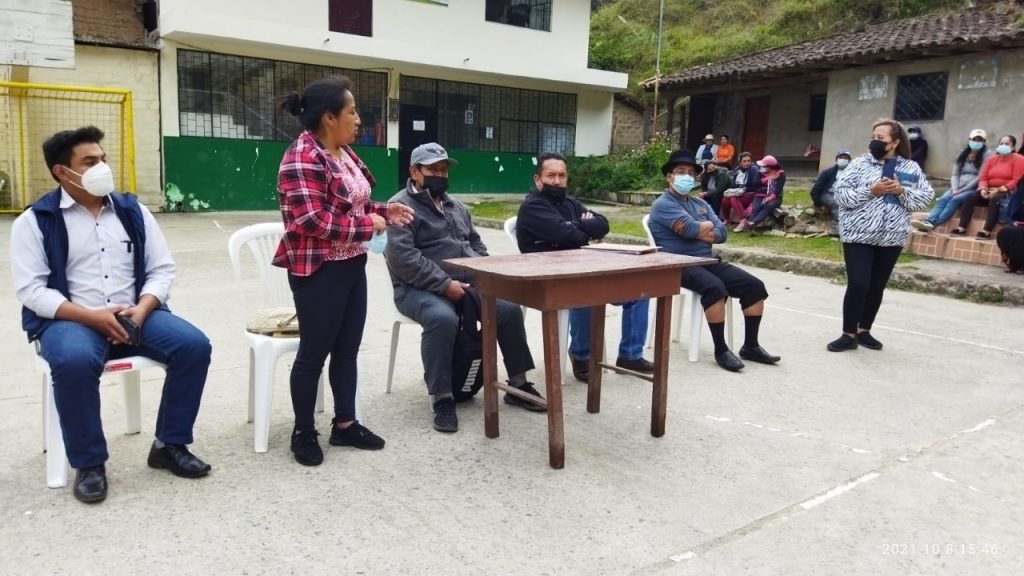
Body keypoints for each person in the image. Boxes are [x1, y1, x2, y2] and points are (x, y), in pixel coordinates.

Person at [10, 126, 213, 503]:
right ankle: (89, 465)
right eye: (89, 162)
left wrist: (142, 310)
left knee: (194, 346)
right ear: (61, 172)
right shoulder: (35, 221)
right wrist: (92, 317)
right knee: (72, 360)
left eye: (102, 159)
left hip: (139, 314)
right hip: (70, 320)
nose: (101, 167)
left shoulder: (132, 211)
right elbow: (32, 290)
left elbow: (162, 269)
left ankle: (169, 445)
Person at [274, 76, 415, 466]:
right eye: (351, 112)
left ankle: (345, 424)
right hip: (318, 269)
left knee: (348, 350)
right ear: (329, 117)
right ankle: (303, 431)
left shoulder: (343, 152)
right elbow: (313, 220)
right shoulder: (300, 158)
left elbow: (355, 202)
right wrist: (369, 226)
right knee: (313, 354)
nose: (358, 119)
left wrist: (386, 210)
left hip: (351, 262)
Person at [385, 142, 545, 433]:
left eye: (444, 169)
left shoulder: (456, 205)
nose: (441, 175)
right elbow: (403, 260)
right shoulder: (400, 207)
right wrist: (445, 285)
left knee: (509, 310)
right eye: (433, 169)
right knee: (441, 318)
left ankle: (518, 384)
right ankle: (442, 397)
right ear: (414, 171)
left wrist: (481, 271)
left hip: (468, 283)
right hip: (417, 288)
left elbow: (476, 243)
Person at [515, 152, 653, 382]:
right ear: (538, 179)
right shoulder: (532, 207)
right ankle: (581, 355)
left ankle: (630, 355)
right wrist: (581, 226)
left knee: (639, 290)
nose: (557, 181)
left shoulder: (569, 203)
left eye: (562, 175)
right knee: (585, 293)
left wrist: (575, 226)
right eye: (551, 176)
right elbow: (566, 234)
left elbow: (602, 225)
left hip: (582, 268)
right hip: (547, 277)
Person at [648, 149, 781, 372]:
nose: (686, 176)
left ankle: (750, 346)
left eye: (690, 173)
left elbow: (723, 233)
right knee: (715, 288)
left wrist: (703, 228)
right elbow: (692, 229)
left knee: (755, 287)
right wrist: (705, 227)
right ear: (668, 176)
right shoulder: (663, 204)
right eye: (680, 172)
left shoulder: (698, 203)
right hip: (677, 264)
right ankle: (721, 349)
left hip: (707, 260)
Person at [827, 119, 933, 352]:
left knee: (877, 285)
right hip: (858, 234)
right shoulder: (858, 164)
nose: (875, 141)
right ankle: (848, 334)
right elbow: (841, 195)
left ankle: (864, 330)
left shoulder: (910, 168)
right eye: (873, 136)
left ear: (895, 142)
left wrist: (901, 191)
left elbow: (925, 198)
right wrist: (870, 191)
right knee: (859, 283)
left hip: (892, 237)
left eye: (881, 138)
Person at [911, 129, 992, 232]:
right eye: (974, 139)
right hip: (958, 186)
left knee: (954, 200)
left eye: (980, 140)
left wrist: (960, 191)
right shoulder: (962, 154)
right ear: (969, 139)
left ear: (984, 142)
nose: (976, 142)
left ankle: (933, 224)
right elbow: (955, 174)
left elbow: (980, 177)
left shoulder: (987, 155)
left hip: (973, 188)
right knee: (943, 199)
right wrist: (954, 188)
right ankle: (929, 220)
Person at [951, 135, 1024, 238]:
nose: (1003, 146)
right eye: (1001, 143)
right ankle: (962, 228)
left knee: (995, 199)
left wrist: (998, 190)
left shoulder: (1019, 159)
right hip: (988, 189)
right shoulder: (992, 159)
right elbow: (983, 177)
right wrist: (983, 188)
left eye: (1007, 144)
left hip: (1007, 191)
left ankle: (986, 231)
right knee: (970, 197)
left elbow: (1016, 181)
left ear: (1013, 147)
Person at [735, 155, 785, 232]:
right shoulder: (760, 172)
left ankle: (753, 223)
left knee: (768, 206)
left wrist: (770, 197)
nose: (762, 167)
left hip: (775, 197)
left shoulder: (780, 174)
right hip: (760, 195)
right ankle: (751, 226)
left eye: (764, 166)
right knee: (755, 208)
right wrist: (767, 178)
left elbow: (778, 189)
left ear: (770, 167)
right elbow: (755, 184)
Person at [719, 152, 761, 225]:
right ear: (740, 162)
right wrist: (736, 189)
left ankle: (743, 220)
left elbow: (754, 185)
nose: (747, 163)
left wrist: (741, 188)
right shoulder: (737, 169)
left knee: (733, 198)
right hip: (738, 193)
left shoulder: (754, 169)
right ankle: (727, 219)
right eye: (744, 161)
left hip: (749, 193)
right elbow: (733, 184)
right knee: (725, 199)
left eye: (748, 161)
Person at [810, 149, 852, 222]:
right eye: (841, 157)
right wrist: (818, 204)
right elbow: (815, 190)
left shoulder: (853, 173)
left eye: (845, 158)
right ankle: (840, 225)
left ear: (849, 160)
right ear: (836, 159)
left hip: (845, 194)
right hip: (828, 194)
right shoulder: (828, 172)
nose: (843, 159)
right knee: (837, 204)